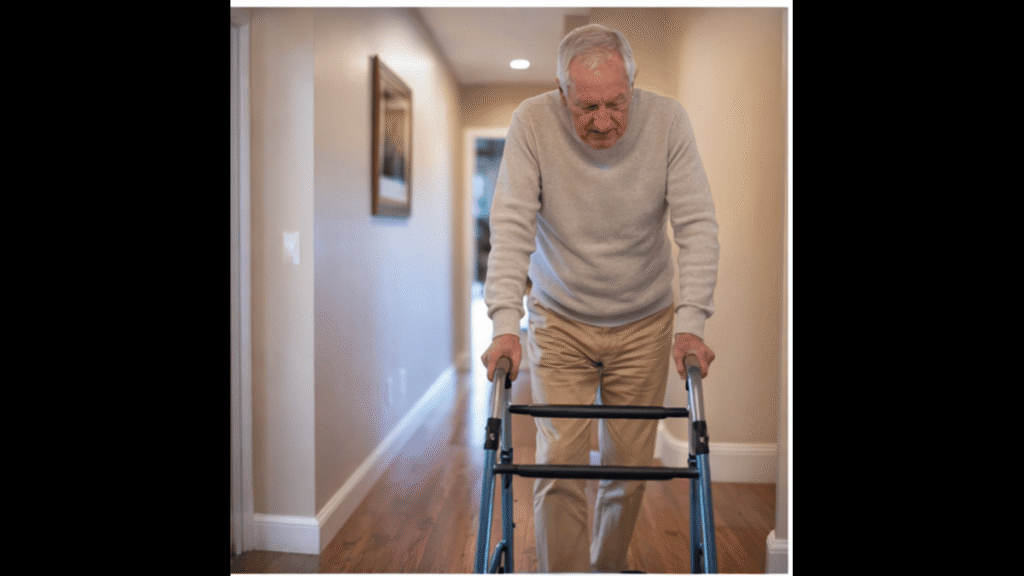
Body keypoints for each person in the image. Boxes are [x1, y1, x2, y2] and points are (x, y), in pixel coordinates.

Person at [480, 23, 719, 573]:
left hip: (645, 318)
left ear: (632, 84)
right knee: (559, 463)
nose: (603, 120)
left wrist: (692, 322)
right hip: (559, 317)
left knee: (628, 466)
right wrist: (503, 324)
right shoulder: (533, 123)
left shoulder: (668, 122)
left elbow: (697, 226)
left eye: (616, 102)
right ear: (562, 92)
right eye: (586, 106)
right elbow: (512, 225)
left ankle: (606, 567)